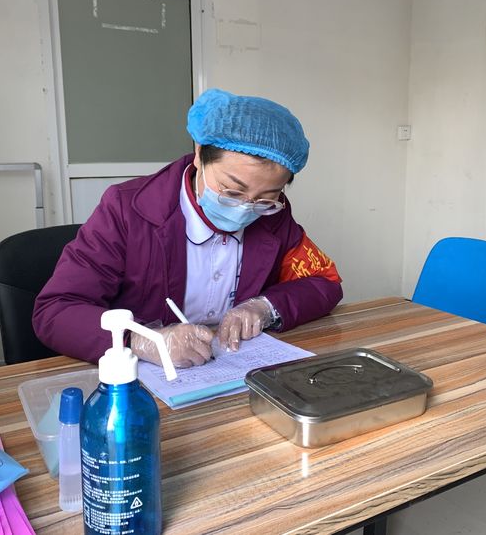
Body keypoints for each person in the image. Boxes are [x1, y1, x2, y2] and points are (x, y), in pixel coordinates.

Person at [32, 88, 342, 368]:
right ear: (199, 154)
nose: (246, 208)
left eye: (265, 198)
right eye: (232, 191)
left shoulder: (274, 216)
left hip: (232, 374)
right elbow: (55, 311)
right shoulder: (126, 210)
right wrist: (141, 340)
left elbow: (324, 282)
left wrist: (265, 307)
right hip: (144, 380)